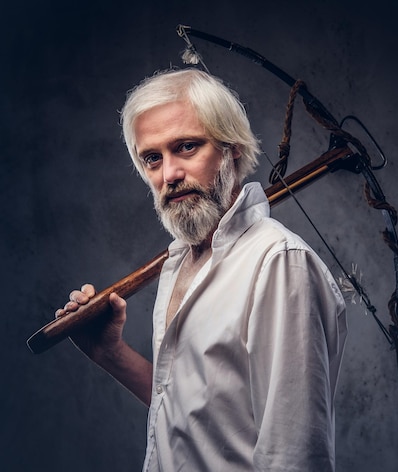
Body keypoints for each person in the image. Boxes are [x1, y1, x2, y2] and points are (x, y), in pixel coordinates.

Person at [56, 69, 347, 471]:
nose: (169, 174)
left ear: (233, 151)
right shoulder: (179, 260)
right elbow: (191, 416)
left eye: (187, 147)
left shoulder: (278, 263)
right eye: (152, 158)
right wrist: (110, 353)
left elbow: (294, 457)